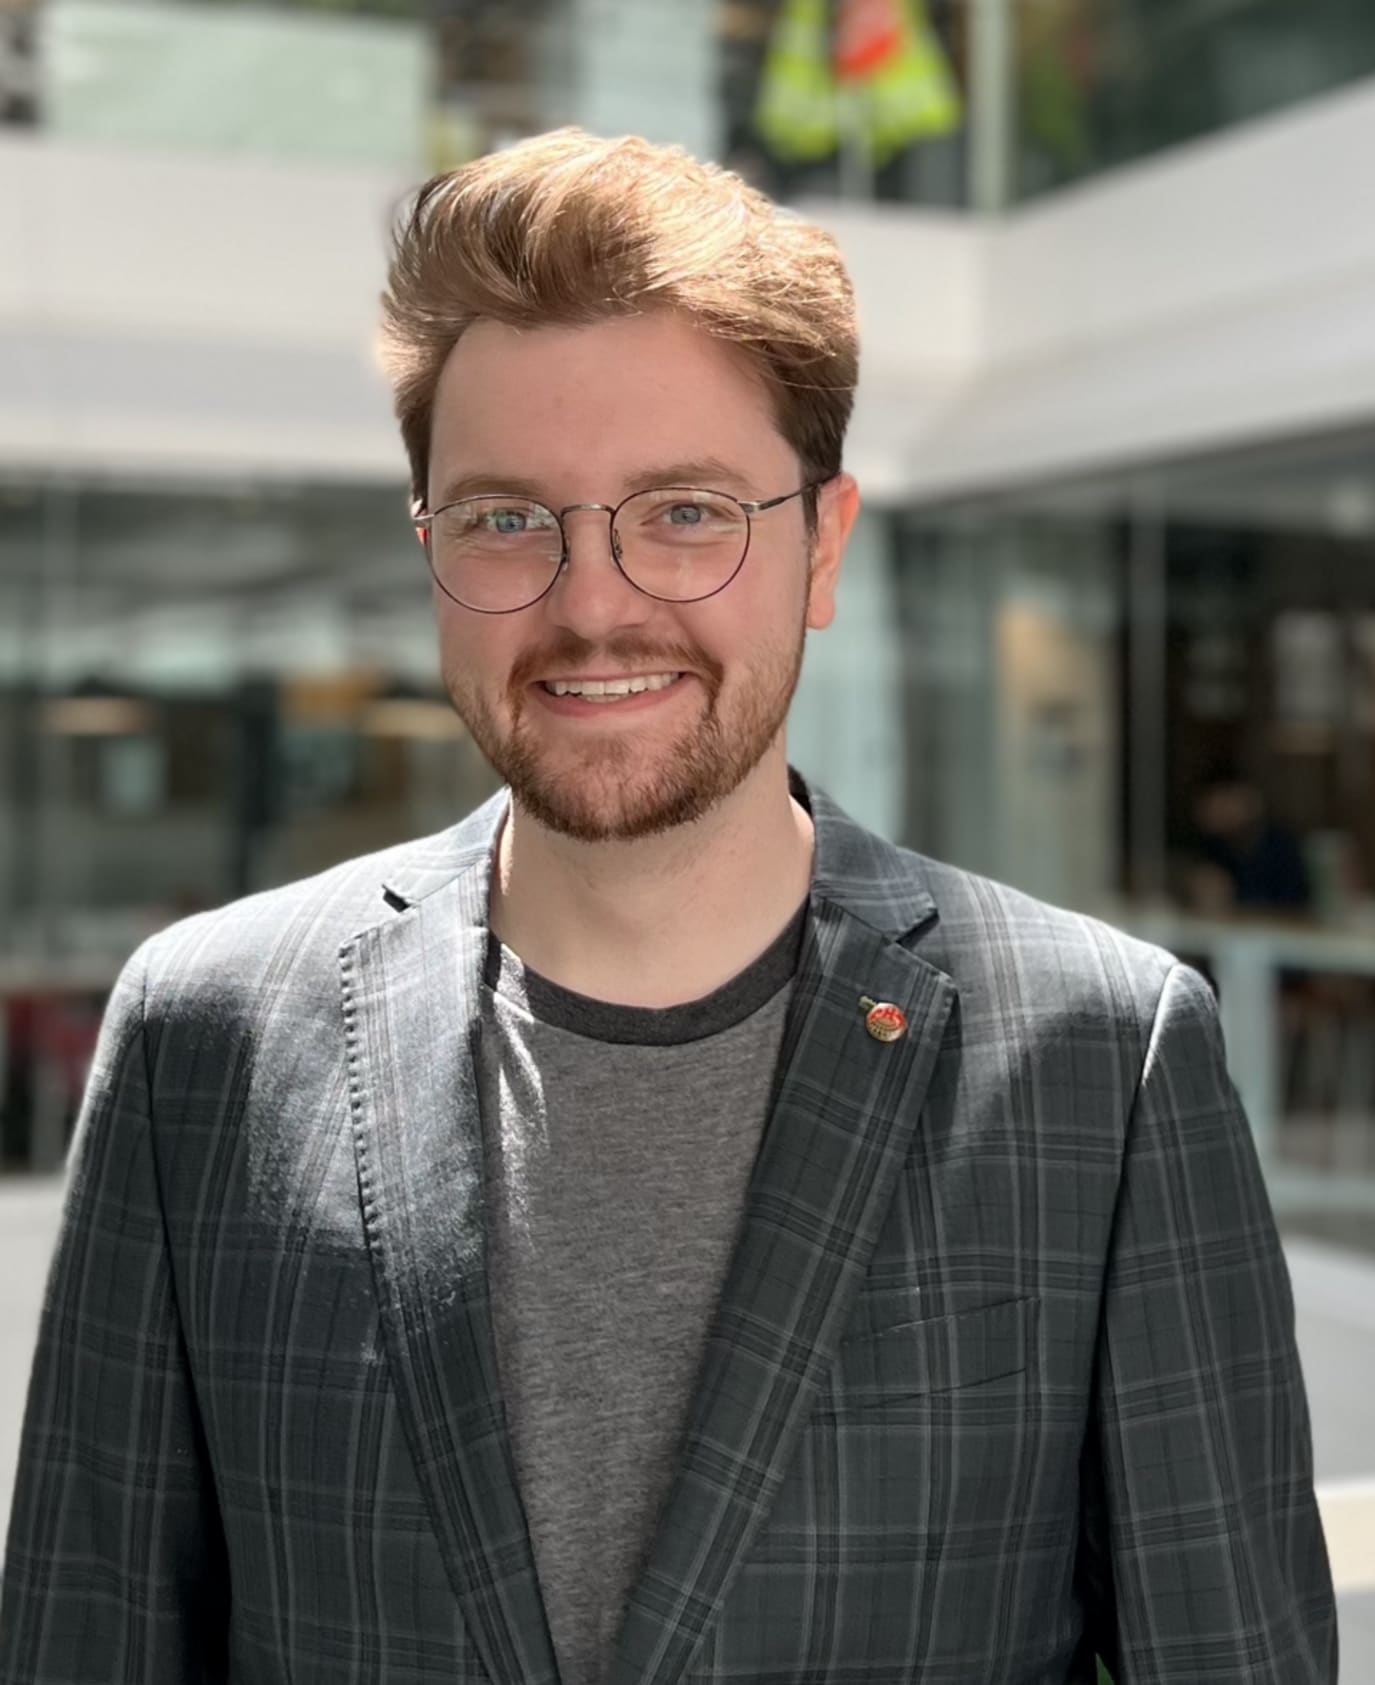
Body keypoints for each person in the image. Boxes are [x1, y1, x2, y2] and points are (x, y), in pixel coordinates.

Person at [0, 130, 1336, 1684]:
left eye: (687, 510)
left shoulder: (1102, 1061)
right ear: (428, 551)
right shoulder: (203, 1038)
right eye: (508, 517)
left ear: (822, 544)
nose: (592, 601)